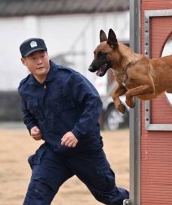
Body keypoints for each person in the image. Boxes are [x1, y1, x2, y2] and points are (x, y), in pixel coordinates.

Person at [18, 38, 129, 205]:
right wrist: (32, 127)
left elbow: (94, 103)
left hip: (85, 150)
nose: (39, 61)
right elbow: (28, 114)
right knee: (35, 197)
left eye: (42, 55)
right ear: (23, 61)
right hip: (54, 152)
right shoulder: (25, 88)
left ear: (48, 55)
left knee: (110, 196)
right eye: (33, 58)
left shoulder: (70, 79)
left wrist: (77, 132)